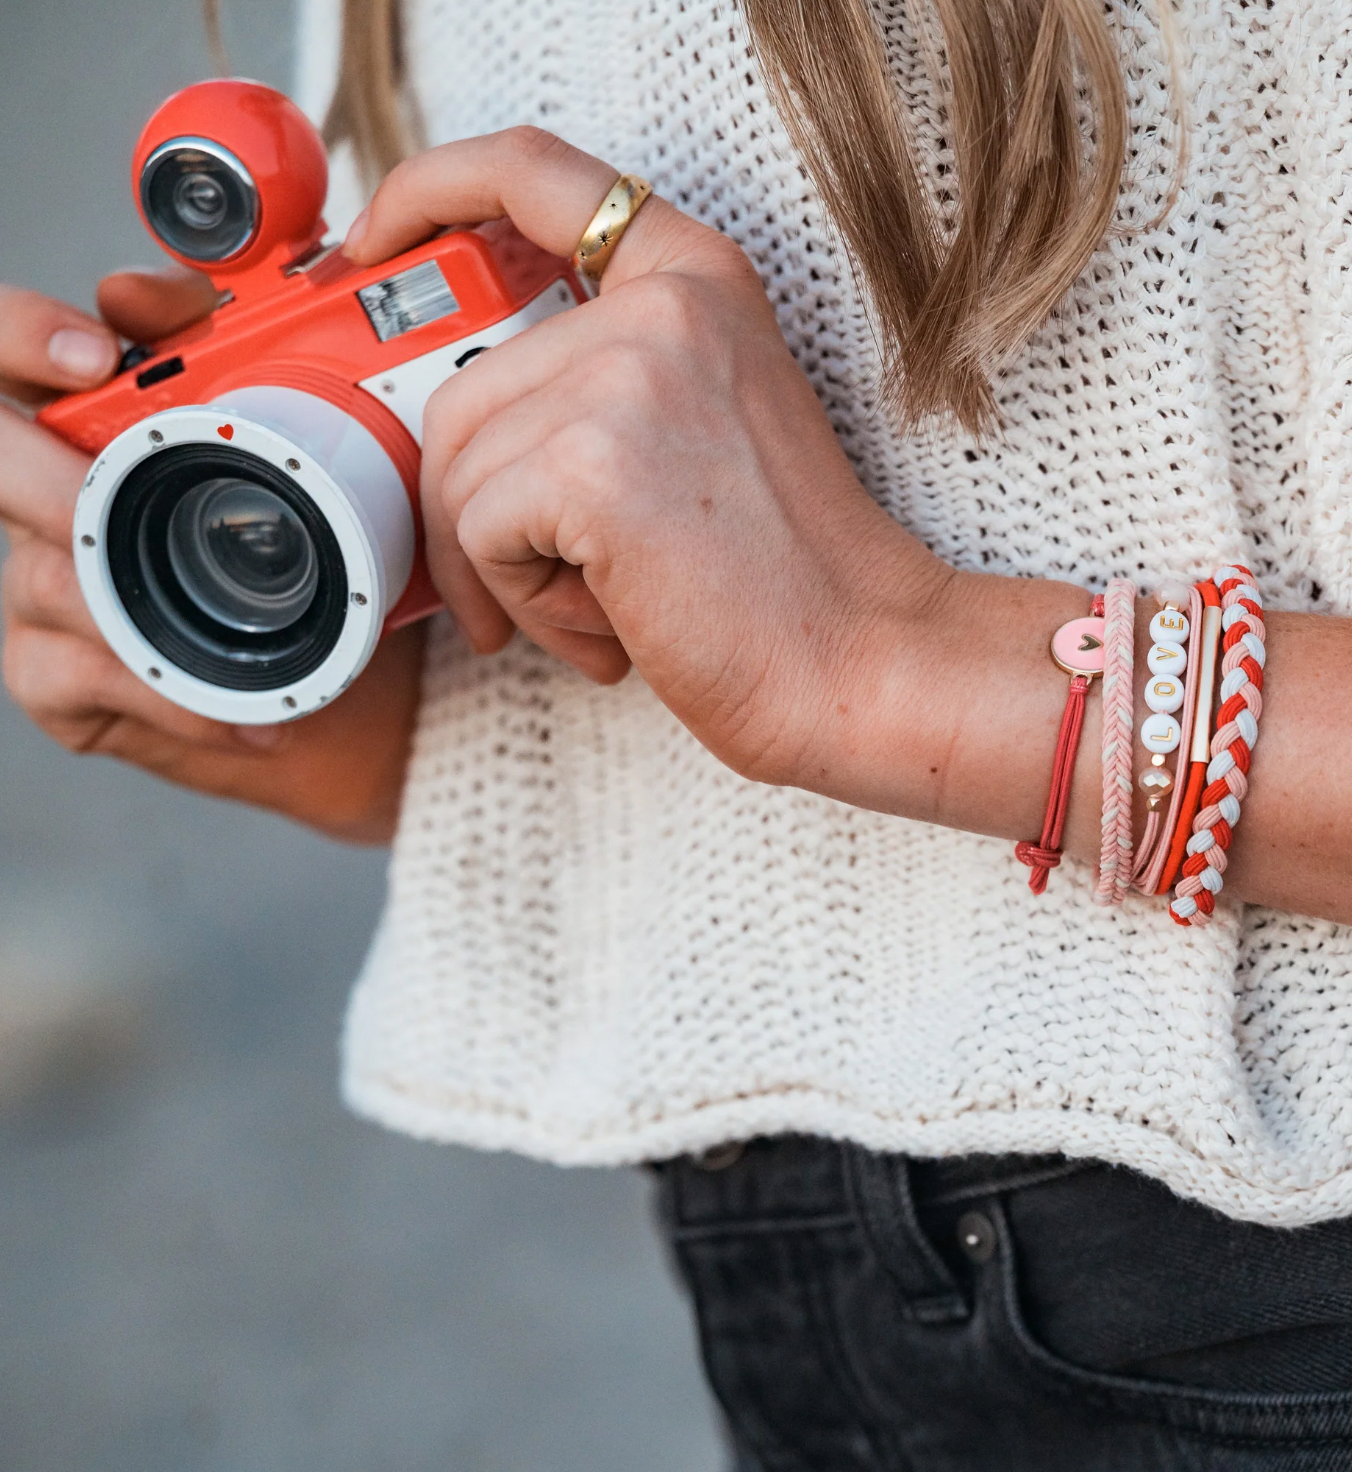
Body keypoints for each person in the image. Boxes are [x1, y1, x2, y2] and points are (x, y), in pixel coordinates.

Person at [4, 0, 1352, 1463]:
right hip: (780, 1247)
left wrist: (884, 661)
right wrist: (338, 700)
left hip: (1286, 1249)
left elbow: (819, 659)